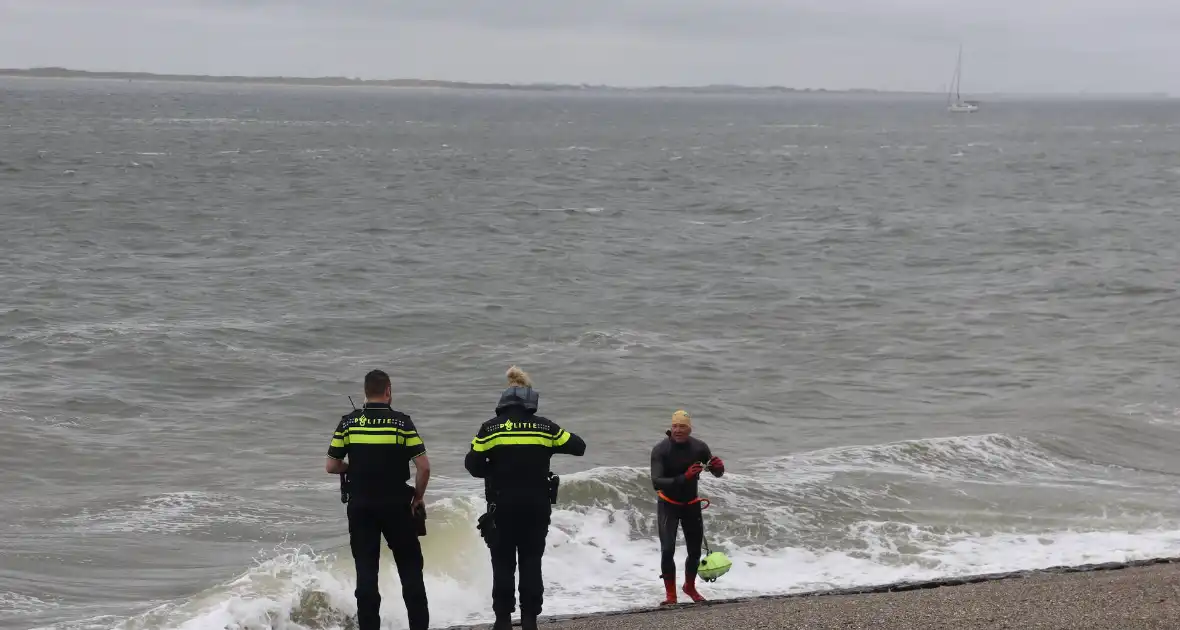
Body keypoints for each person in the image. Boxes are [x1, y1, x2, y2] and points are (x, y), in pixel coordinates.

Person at [464, 366, 587, 630]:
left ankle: (503, 621)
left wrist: (494, 470)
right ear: (531, 399)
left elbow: (472, 465)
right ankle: (530, 620)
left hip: (502, 507)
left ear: (504, 399)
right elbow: (579, 447)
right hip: (536, 506)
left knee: (503, 563)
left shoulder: (490, 429)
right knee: (531, 562)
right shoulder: (545, 427)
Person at [325, 369, 431, 630]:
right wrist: (417, 497)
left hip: (361, 506)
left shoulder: (348, 423)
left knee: (366, 573)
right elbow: (424, 467)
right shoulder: (402, 423)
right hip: (397, 504)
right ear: (388, 391)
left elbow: (331, 465)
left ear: (365, 392)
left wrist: (352, 468)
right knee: (410, 571)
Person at [649, 409, 724, 605]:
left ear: (689, 429)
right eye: (675, 426)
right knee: (667, 550)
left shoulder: (699, 448)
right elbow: (656, 481)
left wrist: (718, 467)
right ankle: (671, 596)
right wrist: (686, 477)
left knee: (694, 551)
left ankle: (689, 587)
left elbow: (716, 473)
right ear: (670, 427)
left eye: (682, 426)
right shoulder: (661, 450)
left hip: (691, 504)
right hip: (669, 505)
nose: (678, 430)